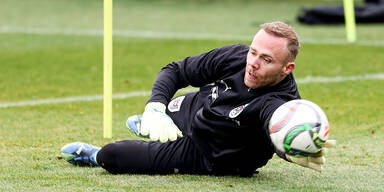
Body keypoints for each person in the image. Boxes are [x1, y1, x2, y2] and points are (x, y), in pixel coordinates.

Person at [61, 21, 335, 177]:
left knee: (113, 155)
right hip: (200, 109)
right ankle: (157, 121)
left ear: (287, 69)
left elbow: (274, 125)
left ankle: (94, 155)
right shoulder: (237, 57)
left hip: (212, 153)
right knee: (164, 107)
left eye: (266, 59)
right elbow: (176, 71)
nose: (253, 63)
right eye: (253, 52)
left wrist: (291, 148)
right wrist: (155, 107)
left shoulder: (280, 103)